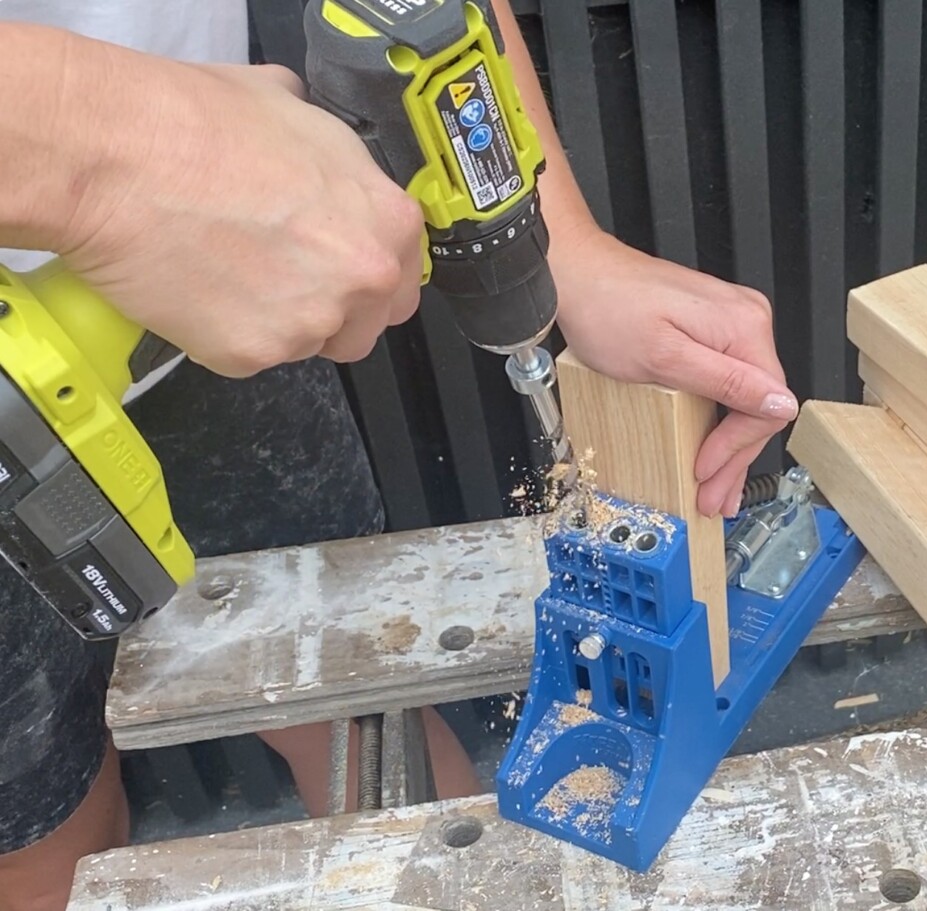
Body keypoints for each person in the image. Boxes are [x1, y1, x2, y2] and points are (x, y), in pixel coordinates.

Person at [0, 2, 796, 908]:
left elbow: (418, 29)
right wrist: (118, 157)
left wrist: (564, 245)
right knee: (36, 820)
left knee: (343, 681)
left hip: (232, 247)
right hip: (190, 208)